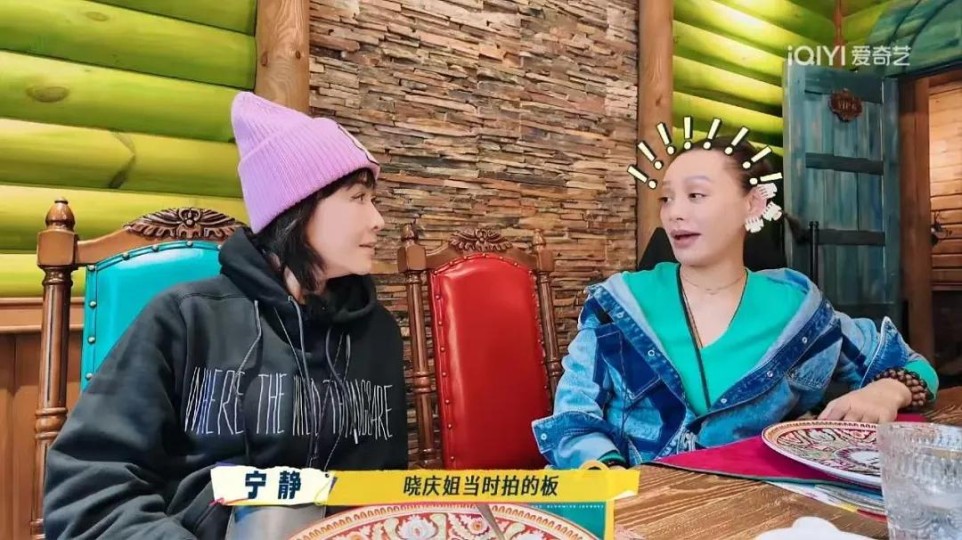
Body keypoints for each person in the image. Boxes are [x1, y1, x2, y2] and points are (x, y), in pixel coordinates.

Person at [43, 92, 408, 538]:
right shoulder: (184, 320)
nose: (378, 220)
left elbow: (387, 492)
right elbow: (88, 495)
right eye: (358, 198)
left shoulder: (378, 333)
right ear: (296, 208)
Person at [532, 135, 939, 470]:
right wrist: (606, 475)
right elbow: (573, 415)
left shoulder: (799, 313)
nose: (674, 213)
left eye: (696, 195)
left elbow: (911, 365)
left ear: (754, 203)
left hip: (751, 512)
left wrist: (888, 391)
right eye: (667, 199)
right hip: (630, 509)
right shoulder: (619, 303)